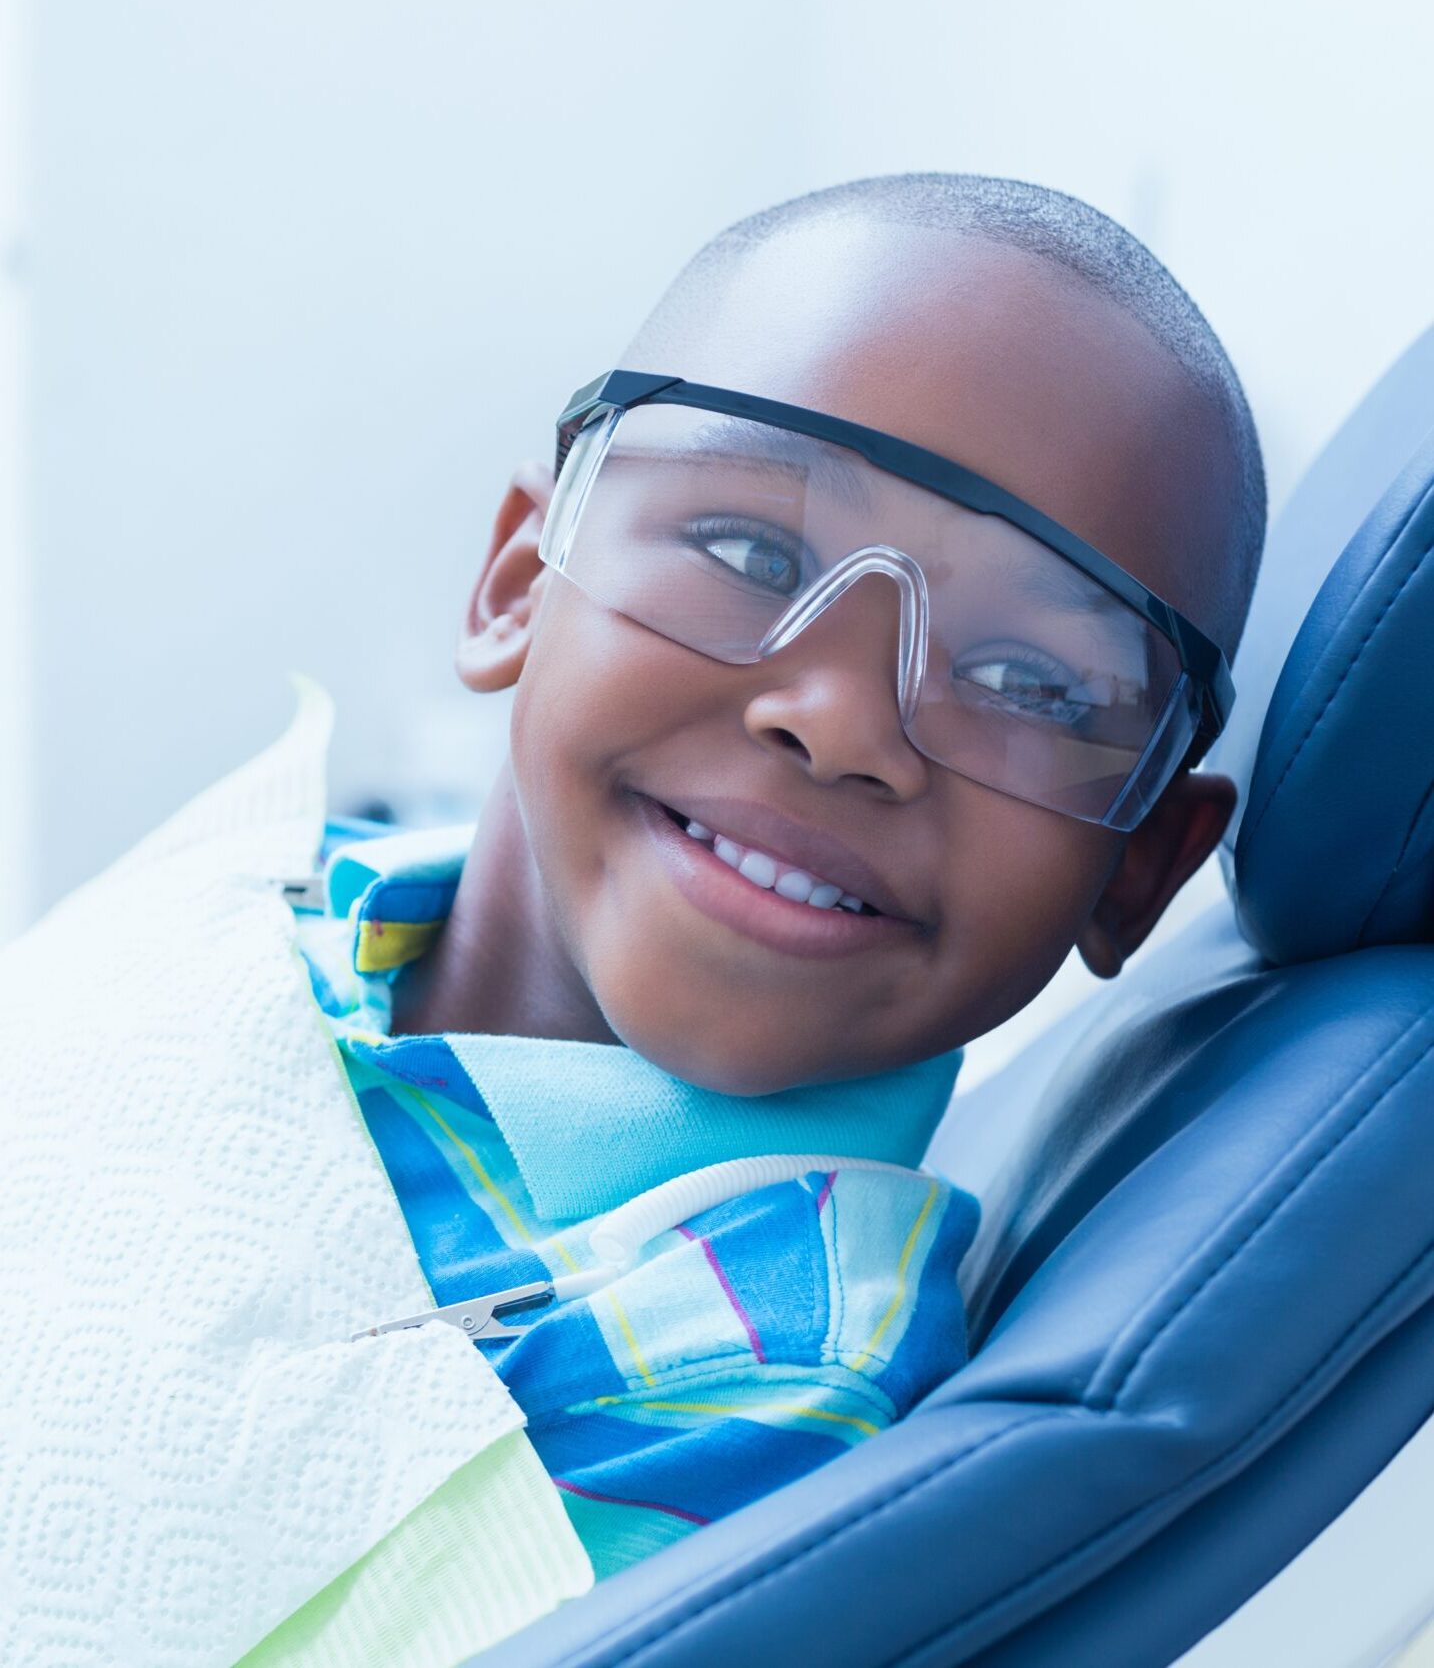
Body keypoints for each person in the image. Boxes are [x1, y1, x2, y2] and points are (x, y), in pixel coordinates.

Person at [281, 169, 1264, 1610]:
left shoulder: (765, 1406)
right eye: (750, 553)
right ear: (517, 585)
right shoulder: (247, 901)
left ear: (1138, 869)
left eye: (1028, 682)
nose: (843, 721)